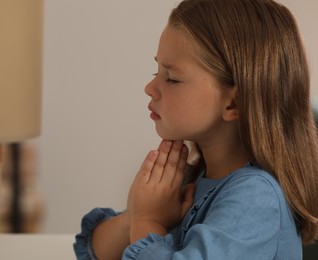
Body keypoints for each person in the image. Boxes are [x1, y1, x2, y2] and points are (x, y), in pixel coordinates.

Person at [73, 0, 318, 259]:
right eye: (155, 71)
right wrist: (137, 215)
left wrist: (147, 223)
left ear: (233, 103)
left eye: (172, 79)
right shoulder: (197, 179)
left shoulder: (256, 200)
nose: (150, 87)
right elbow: (93, 252)